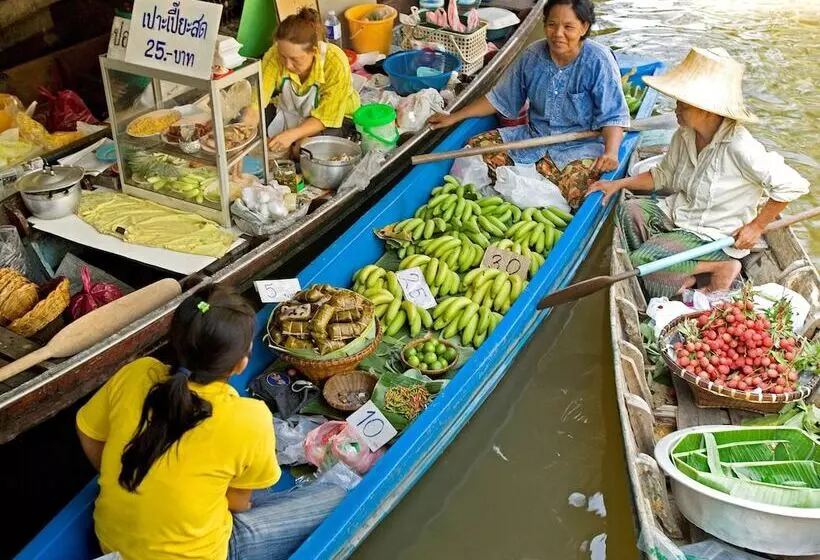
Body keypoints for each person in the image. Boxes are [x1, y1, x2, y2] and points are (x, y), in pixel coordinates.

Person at [76, 285, 345, 560]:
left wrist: (130, 468)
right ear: (241, 364)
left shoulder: (136, 373)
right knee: (337, 496)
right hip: (201, 553)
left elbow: (89, 433)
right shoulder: (249, 418)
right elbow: (238, 504)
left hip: (111, 545)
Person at [587, 47, 809, 299]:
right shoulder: (684, 135)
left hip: (715, 236)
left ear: (706, 109)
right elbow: (663, 176)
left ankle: (717, 267)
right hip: (681, 217)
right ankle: (674, 274)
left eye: (683, 104)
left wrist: (757, 226)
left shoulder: (740, 146)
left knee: (645, 261)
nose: (676, 109)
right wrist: (617, 185)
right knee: (630, 211)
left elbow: (793, 185)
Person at [428, 0, 630, 210]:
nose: (558, 33)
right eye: (551, 25)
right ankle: (525, 188)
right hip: (533, 138)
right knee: (474, 149)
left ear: (584, 28)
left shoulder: (598, 60)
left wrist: (611, 153)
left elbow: (613, 117)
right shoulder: (532, 55)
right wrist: (454, 116)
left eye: (568, 27)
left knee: (583, 189)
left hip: (579, 148)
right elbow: (499, 99)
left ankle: (531, 191)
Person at [254, 8, 360, 156]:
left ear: (314, 51)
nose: (288, 65)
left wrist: (292, 135)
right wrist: (242, 137)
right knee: (253, 134)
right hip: (293, 112)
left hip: (336, 118)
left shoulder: (335, 62)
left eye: (295, 59)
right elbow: (256, 101)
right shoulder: (274, 55)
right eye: (283, 57)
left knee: (303, 149)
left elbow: (326, 117)